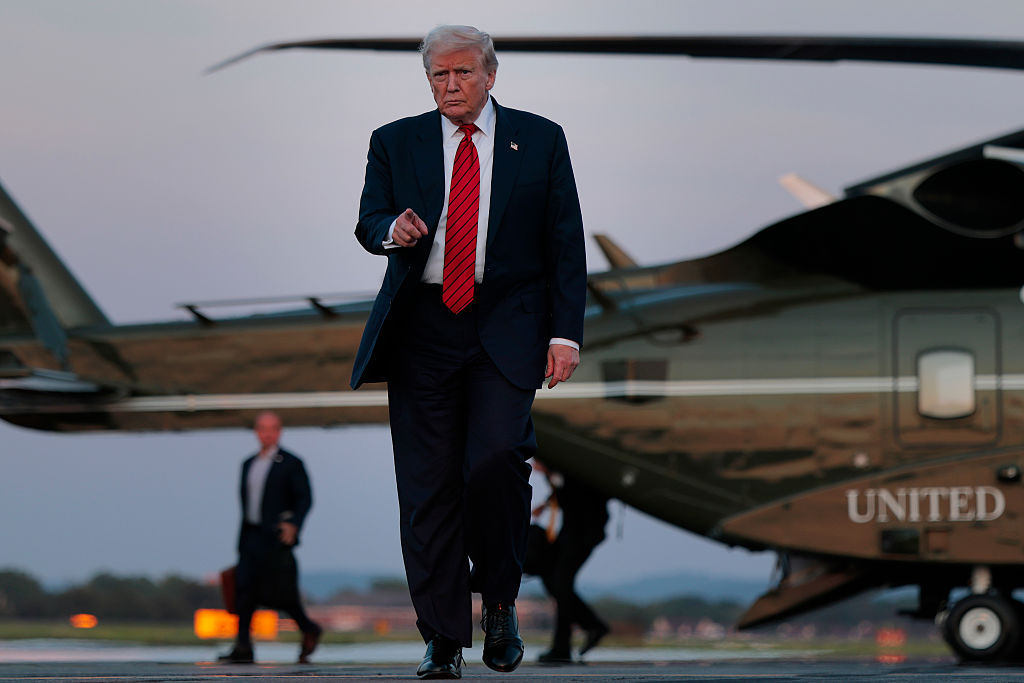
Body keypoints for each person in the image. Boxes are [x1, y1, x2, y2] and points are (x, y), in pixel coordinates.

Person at [351, 24, 587, 680]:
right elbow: (369, 219)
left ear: (490, 75)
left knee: (495, 461)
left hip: (507, 327)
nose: (450, 85)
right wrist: (391, 228)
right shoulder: (394, 140)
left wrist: (565, 335)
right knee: (427, 488)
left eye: (461, 73)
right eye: (439, 75)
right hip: (422, 330)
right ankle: (443, 637)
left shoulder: (540, 139)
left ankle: (501, 600)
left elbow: (565, 241)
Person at [218, 411, 322, 665]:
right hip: (251, 535)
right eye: (263, 428)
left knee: (282, 592)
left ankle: (309, 628)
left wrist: (293, 524)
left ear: (279, 431)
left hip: (276, 538)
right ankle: (243, 645)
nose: (267, 433)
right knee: (244, 588)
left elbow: (305, 498)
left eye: (272, 428)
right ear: (256, 431)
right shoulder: (248, 463)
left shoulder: (291, 463)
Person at [532, 460, 610, 664]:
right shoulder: (557, 474)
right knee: (554, 582)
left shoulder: (568, 470)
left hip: (583, 535)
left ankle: (564, 646)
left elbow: (577, 495)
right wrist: (546, 503)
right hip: (570, 534)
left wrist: (551, 474)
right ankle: (590, 626)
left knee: (561, 584)